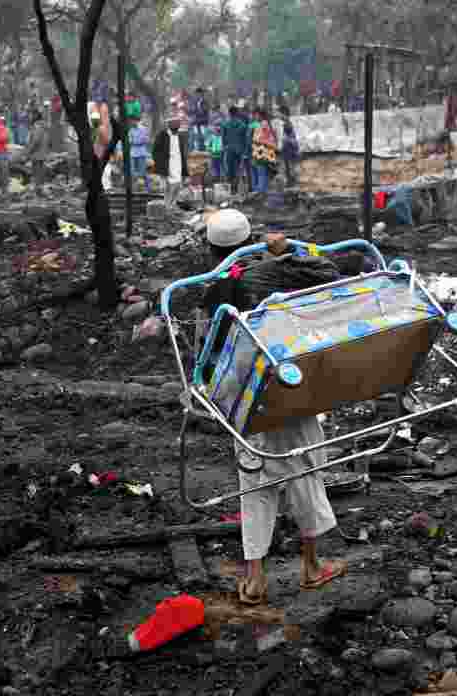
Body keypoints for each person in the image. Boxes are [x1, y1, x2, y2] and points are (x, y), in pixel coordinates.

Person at [199, 212, 347, 605]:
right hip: (283, 384)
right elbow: (331, 271)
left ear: (212, 249)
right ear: (252, 238)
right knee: (305, 469)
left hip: (238, 396)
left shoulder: (212, 286)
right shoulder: (270, 270)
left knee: (255, 482)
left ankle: (254, 580)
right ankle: (312, 566)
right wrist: (288, 250)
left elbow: (206, 351)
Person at [152, 117, 188, 211]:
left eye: (177, 127)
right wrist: (159, 164)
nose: (176, 129)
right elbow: (155, 151)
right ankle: (167, 206)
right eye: (174, 127)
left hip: (178, 163)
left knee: (178, 185)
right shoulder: (162, 135)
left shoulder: (180, 136)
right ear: (170, 127)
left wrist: (184, 166)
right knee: (168, 187)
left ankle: (172, 204)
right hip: (167, 165)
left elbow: (182, 152)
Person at [250, 109, 277, 194]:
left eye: (257, 115)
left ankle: (261, 190)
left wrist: (255, 140)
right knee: (263, 171)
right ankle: (262, 189)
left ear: (261, 115)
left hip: (262, 151)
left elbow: (258, 138)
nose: (255, 117)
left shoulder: (263, 124)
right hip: (264, 151)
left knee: (261, 171)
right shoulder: (267, 124)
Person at [222, 106, 247, 194]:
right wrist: (245, 151)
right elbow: (245, 139)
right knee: (238, 169)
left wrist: (225, 147)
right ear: (237, 113)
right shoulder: (243, 125)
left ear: (229, 114)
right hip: (240, 150)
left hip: (229, 150)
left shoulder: (225, 124)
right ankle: (237, 188)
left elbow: (223, 139)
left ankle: (231, 189)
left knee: (230, 169)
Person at [23, 111, 50, 189]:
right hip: (42, 151)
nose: (30, 117)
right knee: (41, 170)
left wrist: (28, 152)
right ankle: (40, 186)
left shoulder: (37, 126)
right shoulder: (44, 126)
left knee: (36, 171)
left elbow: (36, 141)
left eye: (32, 115)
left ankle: (38, 187)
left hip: (36, 152)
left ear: (35, 116)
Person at [280, 106, 299, 188]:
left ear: (284, 114)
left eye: (280, 113)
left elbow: (290, 137)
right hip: (288, 148)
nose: (279, 115)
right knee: (289, 168)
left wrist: (285, 140)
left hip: (289, 149)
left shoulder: (287, 124)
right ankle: (291, 183)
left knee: (290, 168)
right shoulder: (286, 123)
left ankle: (292, 184)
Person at [192, 87, 209, 152]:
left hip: (203, 121)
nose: (197, 95)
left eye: (199, 93)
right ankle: (196, 149)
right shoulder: (194, 101)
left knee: (204, 135)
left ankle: (207, 148)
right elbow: (192, 110)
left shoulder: (205, 101)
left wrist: (198, 111)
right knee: (196, 136)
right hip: (196, 122)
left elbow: (204, 111)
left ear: (201, 93)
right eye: (197, 93)